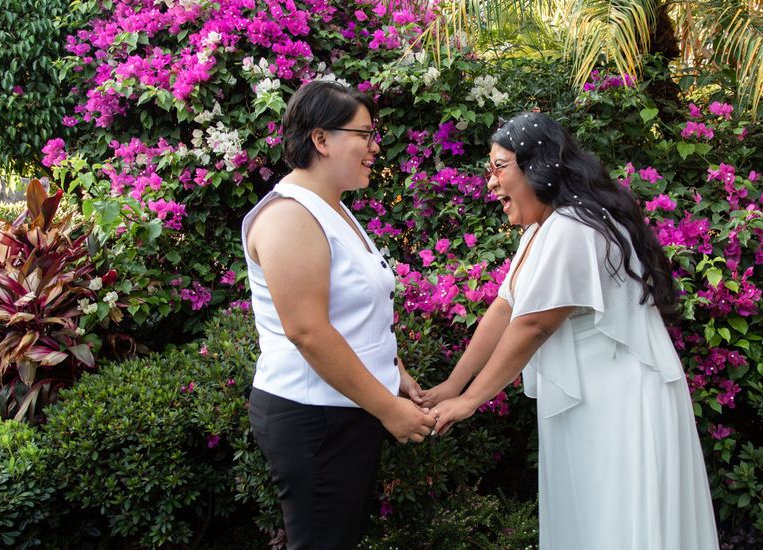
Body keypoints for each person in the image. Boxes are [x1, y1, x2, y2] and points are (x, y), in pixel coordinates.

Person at [420, 112, 720, 549]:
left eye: (499, 167)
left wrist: (469, 402)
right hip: (590, 401)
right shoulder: (542, 230)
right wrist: (451, 384)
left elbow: (536, 325)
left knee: (616, 523)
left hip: (620, 403)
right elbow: (505, 309)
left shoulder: (573, 226)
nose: (490, 182)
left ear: (537, 166)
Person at [242, 80, 436, 550]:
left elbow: (357, 313)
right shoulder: (290, 217)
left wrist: (396, 373)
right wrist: (390, 408)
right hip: (315, 417)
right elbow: (308, 331)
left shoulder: (333, 211)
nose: (374, 147)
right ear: (321, 140)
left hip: (347, 407)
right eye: (364, 134)